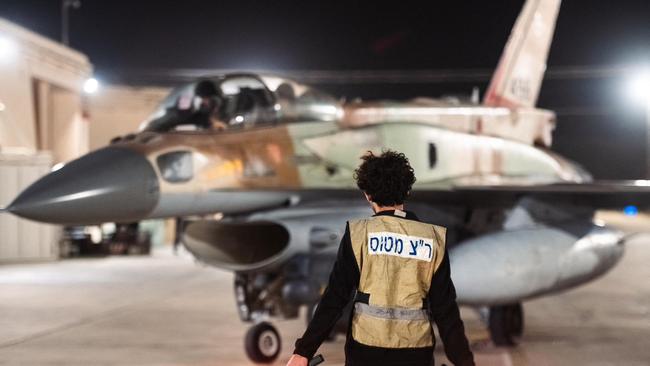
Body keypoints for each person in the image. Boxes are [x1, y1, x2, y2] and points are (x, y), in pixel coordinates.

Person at [287, 150, 475, 366]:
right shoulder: (432, 239)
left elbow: (334, 298)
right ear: (406, 191)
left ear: (367, 194)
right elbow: (446, 312)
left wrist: (303, 352)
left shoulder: (359, 234)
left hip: (365, 352)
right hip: (415, 355)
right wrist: (464, 362)